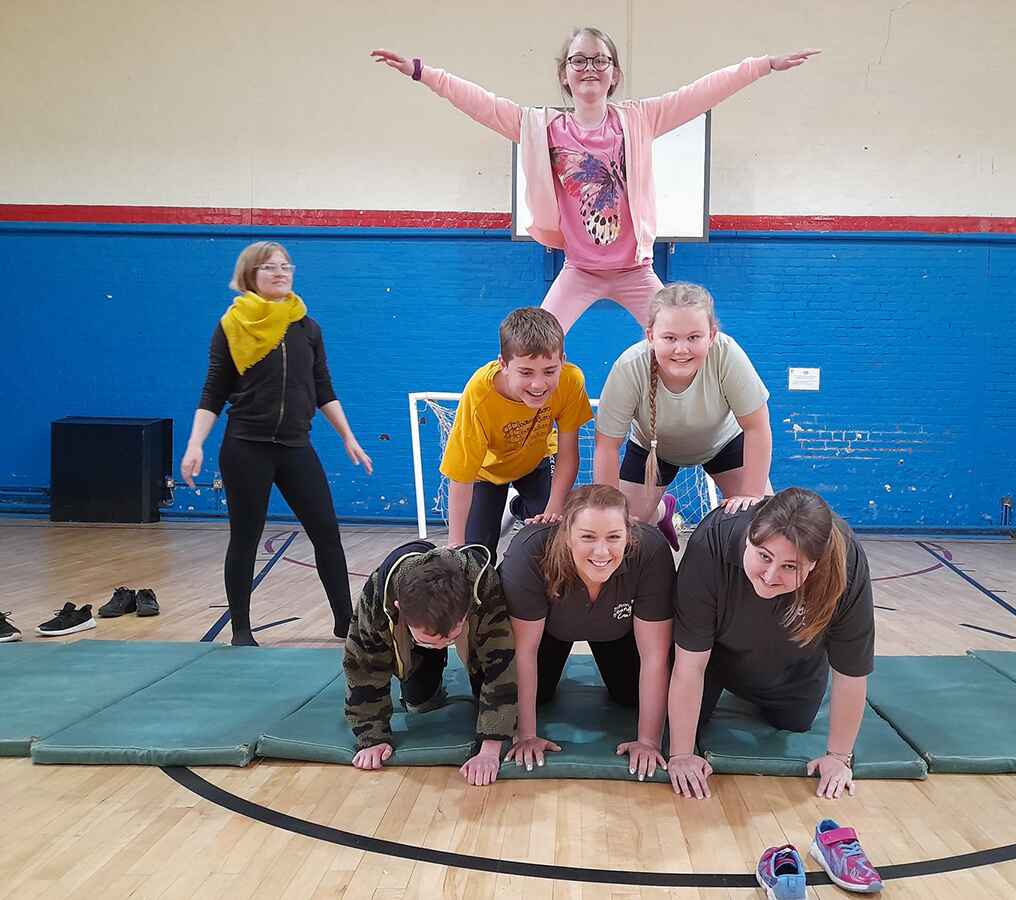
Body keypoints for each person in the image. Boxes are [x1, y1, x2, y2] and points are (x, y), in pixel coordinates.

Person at [370, 29, 819, 333]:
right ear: (564, 74)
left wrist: (762, 65)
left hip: (635, 270)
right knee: (536, 343)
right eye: (578, 60)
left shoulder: (640, 119)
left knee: (683, 337)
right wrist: (422, 72)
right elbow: (480, 102)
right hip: (578, 270)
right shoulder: (540, 127)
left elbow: (702, 91)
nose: (589, 67)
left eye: (600, 60)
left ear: (614, 73)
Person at [181, 242, 372, 646]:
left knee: (326, 531)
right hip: (245, 446)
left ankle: (346, 621)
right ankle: (241, 629)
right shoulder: (231, 326)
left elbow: (323, 388)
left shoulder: (307, 327)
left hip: (295, 446)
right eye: (270, 267)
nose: (281, 272)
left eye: (286, 266)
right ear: (250, 275)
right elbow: (213, 391)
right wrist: (195, 444)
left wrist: (348, 437)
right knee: (245, 536)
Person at [665, 489, 875, 800]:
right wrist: (681, 754)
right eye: (764, 556)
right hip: (715, 660)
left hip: (793, 663)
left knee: (795, 722)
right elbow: (689, 665)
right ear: (749, 537)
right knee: (680, 725)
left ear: (815, 564)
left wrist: (839, 757)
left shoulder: (846, 563)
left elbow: (851, 671)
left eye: (790, 566)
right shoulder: (712, 540)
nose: (770, 575)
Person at [499, 485, 675, 780]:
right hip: (550, 631)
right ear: (567, 535)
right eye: (588, 537)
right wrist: (526, 735)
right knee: (536, 697)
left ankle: (663, 508)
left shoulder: (651, 551)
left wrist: (648, 742)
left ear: (629, 534)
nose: (602, 551)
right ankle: (514, 504)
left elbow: (654, 655)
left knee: (631, 696)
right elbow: (524, 651)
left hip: (616, 627)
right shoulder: (529, 551)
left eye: (614, 537)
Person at [593, 282, 771, 551]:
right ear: (650, 336)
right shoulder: (630, 367)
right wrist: (608, 511)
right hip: (652, 450)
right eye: (670, 338)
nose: (681, 349)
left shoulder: (727, 354)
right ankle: (662, 511)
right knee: (625, 529)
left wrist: (752, 494)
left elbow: (757, 426)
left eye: (693, 337)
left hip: (723, 444)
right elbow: (607, 445)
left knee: (765, 525)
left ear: (711, 335)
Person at [343, 540, 517, 786]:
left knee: (493, 701)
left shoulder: (482, 583)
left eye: (449, 639)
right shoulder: (377, 597)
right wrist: (371, 737)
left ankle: (449, 641)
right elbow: (362, 667)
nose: (441, 645)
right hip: (413, 635)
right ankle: (426, 658)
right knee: (418, 702)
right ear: (398, 608)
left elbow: (502, 663)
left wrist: (491, 746)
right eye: (431, 641)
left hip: (470, 626)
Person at [439, 307, 592, 559]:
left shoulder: (571, 381)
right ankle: (511, 508)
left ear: (562, 361)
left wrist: (554, 508)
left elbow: (568, 453)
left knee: (553, 538)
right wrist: (455, 545)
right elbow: (461, 476)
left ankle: (519, 506)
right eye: (526, 372)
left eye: (549, 371)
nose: (538, 384)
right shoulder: (479, 395)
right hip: (486, 473)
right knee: (475, 554)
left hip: (537, 460)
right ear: (504, 364)